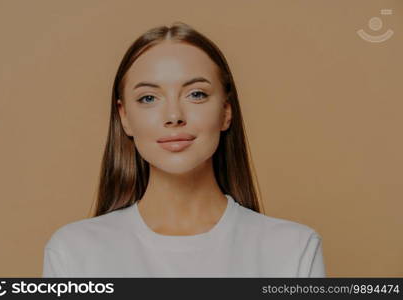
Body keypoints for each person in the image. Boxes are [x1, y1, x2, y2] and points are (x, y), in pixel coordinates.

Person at [42, 21, 326, 277]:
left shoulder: (293, 249)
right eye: (149, 98)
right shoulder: (74, 252)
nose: (174, 115)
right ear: (124, 117)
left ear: (226, 111)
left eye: (196, 94)